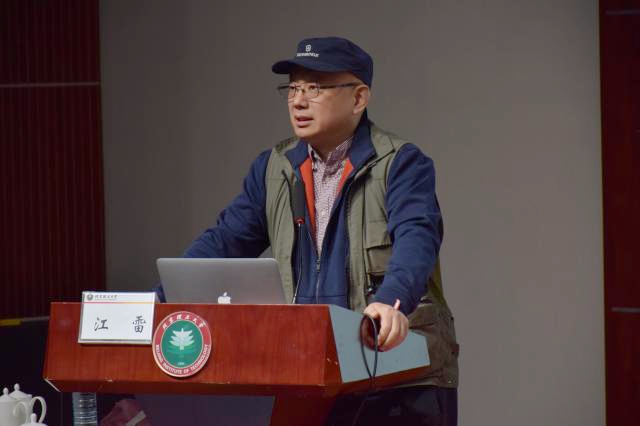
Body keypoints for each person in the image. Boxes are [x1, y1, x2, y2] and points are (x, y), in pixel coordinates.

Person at [183, 36, 459, 425]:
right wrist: (159, 297)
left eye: (314, 88)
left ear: (359, 98)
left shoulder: (401, 163)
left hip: (397, 377)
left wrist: (391, 301)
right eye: (293, 88)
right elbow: (223, 242)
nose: (298, 101)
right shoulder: (274, 168)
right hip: (308, 374)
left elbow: (417, 240)